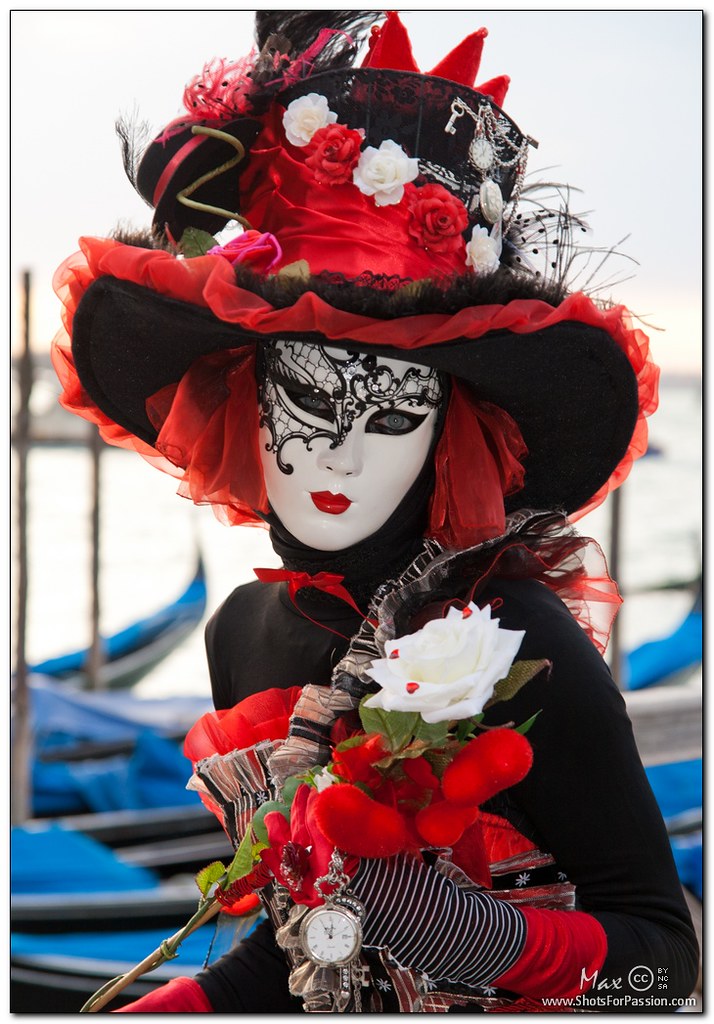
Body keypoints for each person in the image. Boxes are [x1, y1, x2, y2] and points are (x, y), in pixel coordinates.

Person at [52, 11, 697, 1013]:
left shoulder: (510, 636)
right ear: (247, 394)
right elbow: (301, 956)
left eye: (394, 412)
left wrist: (456, 930)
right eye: (310, 397)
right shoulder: (243, 634)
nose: (345, 452)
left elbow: (665, 967)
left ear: (449, 430)